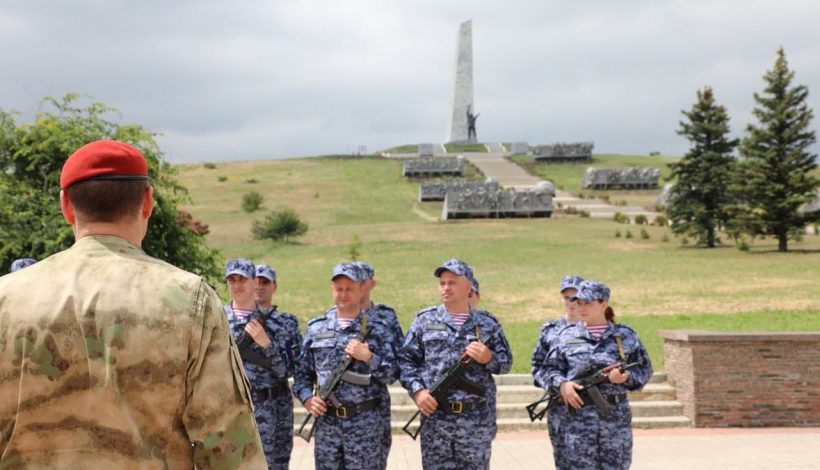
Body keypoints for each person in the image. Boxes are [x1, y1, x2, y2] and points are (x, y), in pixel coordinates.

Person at [0, 140, 265, 468]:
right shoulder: (189, 299)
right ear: (148, 202)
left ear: (66, 205)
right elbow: (228, 443)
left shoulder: (6, 297)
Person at [398, 258, 512, 470]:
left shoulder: (487, 323)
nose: (446, 288)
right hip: (436, 419)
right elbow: (405, 361)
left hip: (476, 420)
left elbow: (506, 363)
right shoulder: (425, 320)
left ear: (468, 286)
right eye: (442, 283)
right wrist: (419, 392)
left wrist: (488, 358)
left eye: (452, 283)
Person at [292, 262, 398, 470]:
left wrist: (369, 357)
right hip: (328, 425)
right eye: (339, 289)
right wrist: (307, 399)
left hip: (366, 424)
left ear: (361, 290)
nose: (343, 294)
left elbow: (392, 373)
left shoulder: (378, 328)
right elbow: (302, 373)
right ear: (332, 290)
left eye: (349, 288)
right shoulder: (317, 328)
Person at [542, 280, 653, 470]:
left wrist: (626, 378)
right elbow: (548, 369)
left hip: (614, 420)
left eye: (589, 303)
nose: (582, 308)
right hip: (578, 419)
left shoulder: (625, 336)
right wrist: (562, 385)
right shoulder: (565, 335)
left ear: (604, 304)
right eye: (580, 302)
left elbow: (644, 369)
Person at [223, 258, 296, 470]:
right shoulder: (216, 320)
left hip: (268, 411)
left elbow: (285, 371)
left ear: (255, 282)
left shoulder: (276, 323)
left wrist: (267, 345)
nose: (236, 285)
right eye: (232, 280)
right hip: (229, 410)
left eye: (242, 280)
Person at [352, 261, 403, 468]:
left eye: (361, 282)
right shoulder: (332, 319)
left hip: (374, 407)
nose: (357, 287)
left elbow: (400, 360)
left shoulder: (386, 317)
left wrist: (371, 357)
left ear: (371, 284)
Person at [530, 275, 584, 469]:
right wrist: (559, 384)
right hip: (561, 411)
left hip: (592, 409)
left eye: (575, 297)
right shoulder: (550, 330)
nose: (571, 302)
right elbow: (537, 368)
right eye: (566, 297)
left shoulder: (596, 329)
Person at [253, 263, 302, 470]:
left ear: (275, 286)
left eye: (265, 282)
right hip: (244, 406)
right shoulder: (230, 319)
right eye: (255, 282)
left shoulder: (287, 323)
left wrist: (267, 346)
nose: (259, 287)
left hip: (277, 403)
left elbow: (291, 369)